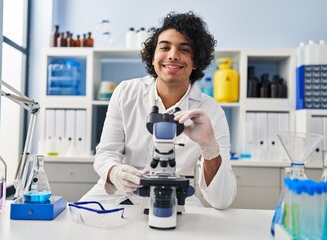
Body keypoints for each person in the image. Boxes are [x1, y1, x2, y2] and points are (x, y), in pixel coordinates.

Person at [80, 11, 237, 209]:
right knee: (78, 221)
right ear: (153, 57)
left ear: (196, 61)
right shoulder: (125, 92)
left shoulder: (210, 110)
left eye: (184, 49)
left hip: (177, 197)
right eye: (164, 47)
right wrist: (114, 172)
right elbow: (105, 154)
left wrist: (210, 148)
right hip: (118, 193)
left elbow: (222, 200)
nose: (172, 55)